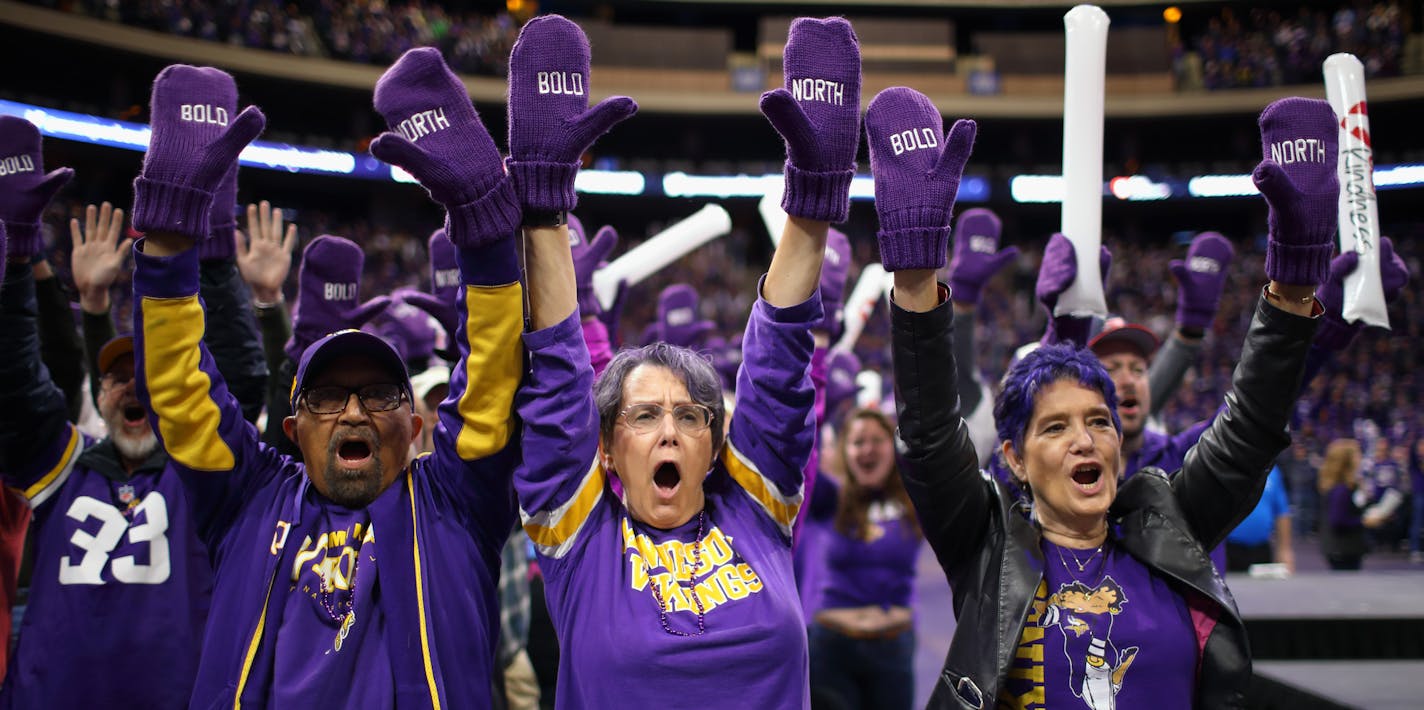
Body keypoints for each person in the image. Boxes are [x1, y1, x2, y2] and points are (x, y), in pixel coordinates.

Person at [870, 90, 1331, 708]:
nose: (1085, 439)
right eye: (1054, 428)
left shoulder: (1174, 524)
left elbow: (1249, 430)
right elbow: (928, 434)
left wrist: (1295, 281)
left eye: (1098, 422)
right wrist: (917, 277)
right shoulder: (985, 546)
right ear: (1014, 457)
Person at [130, 53, 529, 707]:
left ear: (417, 426)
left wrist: (485, 228)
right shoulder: (247, 499)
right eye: (326, 397)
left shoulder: (455, 503)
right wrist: (172, 240)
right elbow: (177, 389)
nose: (352, 413)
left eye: (377, 395)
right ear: (294, 429)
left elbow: (491, 387)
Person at [511, 16, 851, 708]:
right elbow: (556, 379)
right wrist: (543, 207)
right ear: (606, 450)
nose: (668, 428)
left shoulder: (756, 511)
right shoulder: (579, 539)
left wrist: (812, 206)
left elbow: (779, 366)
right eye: (644, 415)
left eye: (689, 415)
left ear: (715, 444)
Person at [0, 116, 220, 708]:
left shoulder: (204, 478)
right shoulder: (64, 467)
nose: (134, 390)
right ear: (99, 396)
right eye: (119, 379)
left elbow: (241, 387)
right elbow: (18, 387)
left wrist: (211, 254)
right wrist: (19, 258)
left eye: (146, 380)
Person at [806, 408, 921, 710]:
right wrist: (821, 405)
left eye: (876, 440)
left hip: (893, 647)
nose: (868, 449)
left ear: (892, 446)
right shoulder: (829, 497)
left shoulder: (915, 499)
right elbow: (801, 458)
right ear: (845, 451)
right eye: (858, 442)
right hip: (832, 647)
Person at [1225, 465, 1294, 572]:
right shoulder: (1226, 466)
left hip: (1261, 548)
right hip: (1230, 548)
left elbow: (1282, 511)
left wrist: (1284, 550)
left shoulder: (1273, 471)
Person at [1317, 439, 1370, 570]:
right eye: (1357, 455)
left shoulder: (1344, 487)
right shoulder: (1341, 490)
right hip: (1343, 548)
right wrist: (1364, 521)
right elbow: (1338, 520)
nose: (1360, 459)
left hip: (1342, 548)